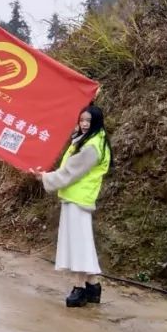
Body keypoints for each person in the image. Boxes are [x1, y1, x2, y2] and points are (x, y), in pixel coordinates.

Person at [31, 105, 113, 308]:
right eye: (81, 120)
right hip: (76, 198)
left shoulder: (91, 146)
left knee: (78, 245)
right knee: (82, 244)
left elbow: (71, 171)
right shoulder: (93, 139)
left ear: (96, 122)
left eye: (88, 121)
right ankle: (93, 285)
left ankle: (80, 288)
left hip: (78, 199)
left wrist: (45, 178)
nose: (84, 124)